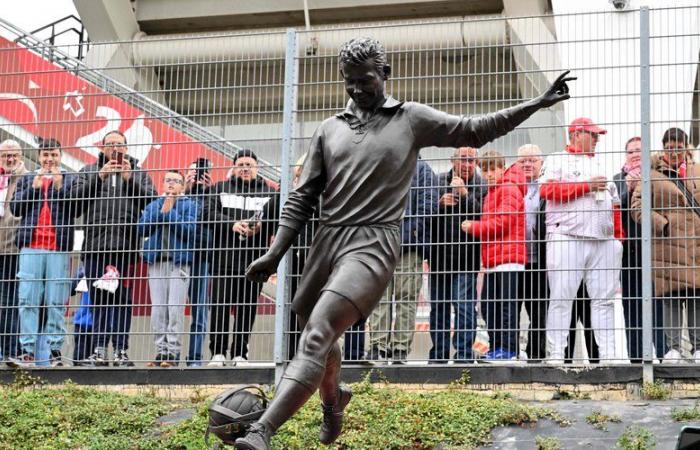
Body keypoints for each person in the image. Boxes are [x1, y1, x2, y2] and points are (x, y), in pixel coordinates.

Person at [235, 37, 572, 450]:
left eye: (366, 80)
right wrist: (274, 253)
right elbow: (303, 196)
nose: (358, 89)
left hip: (373, 244)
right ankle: (333, 400)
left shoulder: (410, 119)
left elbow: (473, 129)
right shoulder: (329, 128)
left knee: (318, 334)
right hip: (328, 243)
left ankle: (261, 431)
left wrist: (535, 104)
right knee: (321, 334)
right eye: (350, 82)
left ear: (385, 75)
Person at [540, 117, 624, 364]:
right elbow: (547, 191)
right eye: (593, 135)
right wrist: (585, 185)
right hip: (567, 236)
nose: (597, 139)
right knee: (561, 298)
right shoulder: (557, 159)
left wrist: (618, 238)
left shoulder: (600, 162)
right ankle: (556, 354)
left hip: (602, 240)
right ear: (576, 134)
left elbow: (615, 203)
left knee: (604, 301)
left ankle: (608, 355)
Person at [71, 130, 157, 367]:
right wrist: (99, 177)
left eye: (119, 145)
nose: (115, 149)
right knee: (97, 299)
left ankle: (120, 349)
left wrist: (130, 180)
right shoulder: (89, 171)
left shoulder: (138, 173)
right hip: (95, 247)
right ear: (102, 148)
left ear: (126, 148)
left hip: (125, 248)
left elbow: (153, 204)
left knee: (121, 300)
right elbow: (73, 205)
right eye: (110, 145)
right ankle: (98, 348)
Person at [630, 127, 700, 363]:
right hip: (667, 245)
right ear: (663, 147)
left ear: (685, 147)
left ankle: (698, 347)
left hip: (695, 244)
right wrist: (662, 224)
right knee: (670, 298)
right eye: (669, 147)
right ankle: (673, 350)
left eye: (678, 146)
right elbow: (637, 206)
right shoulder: (651, 174)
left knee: (695, 298)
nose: (673, 151)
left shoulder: (697, 171)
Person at [204, 149, 278, 367]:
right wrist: (232, 224)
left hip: (253, 262)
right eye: (241, 164)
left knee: (246, 306)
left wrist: (261, 228)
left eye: (249, 164)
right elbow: (207, 214)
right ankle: (217, 353)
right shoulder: (220, 188)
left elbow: (277, 220)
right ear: (234, 167)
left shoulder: (269, 193)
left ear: (257, 168)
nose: (245, 168)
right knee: (220, 305)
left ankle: (240, 354)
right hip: (223, 260)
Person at [8, 138, 77, 367]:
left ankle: (55, 352)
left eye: (54, 155)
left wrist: (59, 186)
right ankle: (27, 352)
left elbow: (76, 209)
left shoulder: (69, 178)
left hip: (58, 247)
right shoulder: (28, 178)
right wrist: (33, 188)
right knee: (27, 299)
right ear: (39, 157)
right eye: (46, 156)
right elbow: (16, 208)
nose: (49, 160)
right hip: (31, 246)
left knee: (55, 300)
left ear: (60, 156)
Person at [365, 157, 436, 363]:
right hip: (380, 245)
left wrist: (406, 234)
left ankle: (400, 349)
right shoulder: (379, 165)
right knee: (379, 298)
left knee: (406, 298)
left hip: (408, 247)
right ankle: (379, 346)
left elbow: (428, 206)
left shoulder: (422, 169)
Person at [462, 150, 526, 361]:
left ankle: (508, 349)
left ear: (502, 167)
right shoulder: (492, 192)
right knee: (490, 307)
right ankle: (497, 347)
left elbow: (503, 223)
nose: (489, 174)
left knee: (506, 307)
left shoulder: (508, 188)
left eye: (493, 169)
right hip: (493, 260)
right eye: (486, 170)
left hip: (509, 259)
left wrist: (474, 227)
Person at [429, 147, 486, 363]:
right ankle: (439, 355)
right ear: (453, 160)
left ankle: (463, 354)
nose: (467, 164)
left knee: (464, 307)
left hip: (467, 259)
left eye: (472, 161)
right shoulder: (438, 181)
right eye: (463, 159)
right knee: (439, 307)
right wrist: (439, 204)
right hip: (440, 257)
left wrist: (465, 194)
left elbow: (482, 215)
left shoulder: (481, 185)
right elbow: (426, 213)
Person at [139, 170, 198, 367]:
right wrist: (161, 211)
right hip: (157, 262)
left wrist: (170, 212)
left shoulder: (189, 205)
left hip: (178, 263)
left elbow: (190, 231)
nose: (172, 184)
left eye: (176, 181)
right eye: (168, 180)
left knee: (175, 308)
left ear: (183, 185)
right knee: (158, 309)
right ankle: (160, 352)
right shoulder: (153, 205)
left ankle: (173, 352)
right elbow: (141, 228)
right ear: (162, 184)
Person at [613, 136, 664, 362]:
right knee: (631, 304)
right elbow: (614, 211)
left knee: (658, 303)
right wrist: (627, 189)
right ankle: (636, 359)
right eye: (630, 151)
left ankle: (663, 354)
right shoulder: (616, 180)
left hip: (656, 251)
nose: (634, 154)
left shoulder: (657, 177)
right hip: (629, 252)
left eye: (639, 150)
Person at [514, 144, 547, 361]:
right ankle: (511, 353)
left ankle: (535, 354)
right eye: (523, 161)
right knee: (511, 309)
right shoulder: (512, 186)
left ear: (541, 164)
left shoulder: (545, 187)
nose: (527, 164)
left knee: (537, 310)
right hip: (515, 259)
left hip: (539, 260)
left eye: (532, 160)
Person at [183, 159, 214, 366]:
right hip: (178, 257)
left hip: (202, 257)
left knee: (200, 309)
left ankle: (195, 358)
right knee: (169, 309)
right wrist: (185, 189)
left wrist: (208, 191)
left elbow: (212, 220)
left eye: (201, 173)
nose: (198, 176)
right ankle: (168, 355)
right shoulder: (180, 194)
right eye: (193, 173)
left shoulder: (212, 196)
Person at [0, 139, 27, 364]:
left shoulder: (27, 178)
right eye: (4, 156)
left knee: (9, 301)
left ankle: (11, 350)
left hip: (14, 250)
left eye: (14, 156)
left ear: (21, 156)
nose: (9, 160)